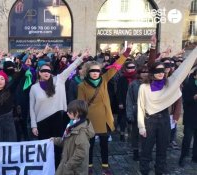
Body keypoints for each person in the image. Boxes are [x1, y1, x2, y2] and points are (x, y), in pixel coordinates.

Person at [137, 47, 197, 175]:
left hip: (164, 119)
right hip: (149, 120)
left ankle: (160, 172)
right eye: (157, 71)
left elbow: (184, 67)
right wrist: (141, 126)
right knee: (146, 151)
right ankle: (144, 172)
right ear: (152, 73)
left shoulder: (170, 83)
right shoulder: (144, 87)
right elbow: (140, 107)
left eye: (162, 71)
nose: (160, 73)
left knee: (162, 151)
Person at [78, 45, 132, 175]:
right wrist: (81, 121)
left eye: (97, 70)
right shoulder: (82, 85)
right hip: (89, 119)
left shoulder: (104, 80)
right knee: (89, 145)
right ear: (88, 72)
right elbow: (81, 104)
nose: (95, 73)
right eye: (92, 71)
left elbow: (115, 67)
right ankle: (89, 167)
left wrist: (127, 52)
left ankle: (105, 167)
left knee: (104, 144)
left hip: (104, 118)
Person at [30, 51, 88, 167]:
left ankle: (58, 168)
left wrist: (81, 57)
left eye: (48, 71)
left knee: (58, 147)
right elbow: (31, 107)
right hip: (42, 122)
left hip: (59, 119)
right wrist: (33, 125)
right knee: (45, 148)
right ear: (39, 73)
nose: (46, 73)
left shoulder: (59, 80)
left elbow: (71, 67)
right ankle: (46, 169)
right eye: (43, 71)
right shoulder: (34, 88)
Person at [52, 100, 94, 175]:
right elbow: (66, 141)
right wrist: (54, 140)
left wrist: (68, 166)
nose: (67, 113)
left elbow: (81, 153)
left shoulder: (81, 132)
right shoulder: (72, 126)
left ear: (77, 113)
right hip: (69, 168)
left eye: (70, 112)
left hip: (74, 171)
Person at [126, 65, 149, 161]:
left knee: (148, 133)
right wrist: (130, 114)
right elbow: (129, 100)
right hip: (137, 111)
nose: (145, 74)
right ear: (139, 73)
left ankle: (146, 152)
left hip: (149, 112)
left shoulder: (151, 84)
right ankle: (136, 151)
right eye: (142, 72)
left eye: (146, 72)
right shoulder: (134, 84)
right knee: (136, 133)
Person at [179, 69, 197, 167]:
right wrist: (193, 98)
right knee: (187, 139)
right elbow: (185, 102)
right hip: (190, 117)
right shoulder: (188, 85)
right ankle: (183, 157)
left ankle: (195, 157)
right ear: (195, 76)